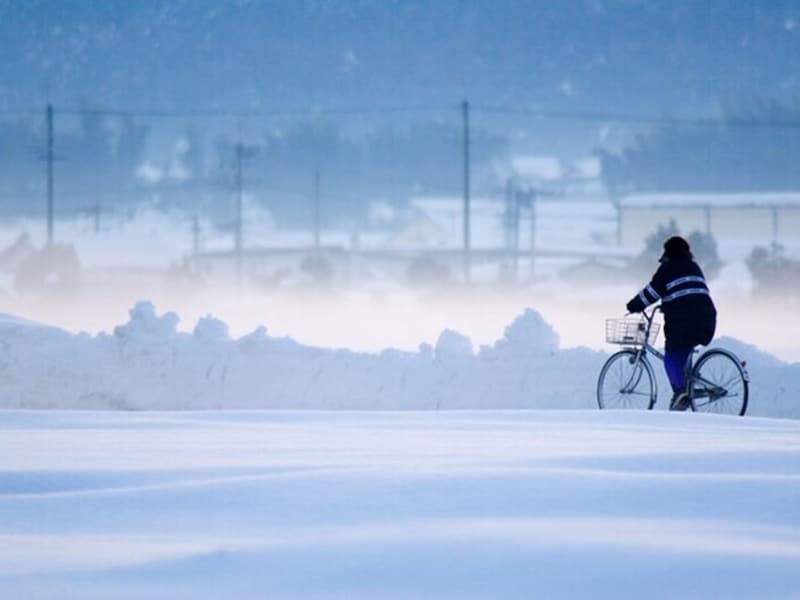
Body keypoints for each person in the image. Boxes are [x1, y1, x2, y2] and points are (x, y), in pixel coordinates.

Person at [626, 236, 717, 410]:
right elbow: (688, 292)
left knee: (672, 356)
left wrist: (633, 305)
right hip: (707, 318)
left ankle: (680, 393)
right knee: (685, 349)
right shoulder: (694, 266)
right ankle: (689, 387)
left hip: (685, 319)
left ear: (668, 253)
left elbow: (651, 293)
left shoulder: (667, 269)